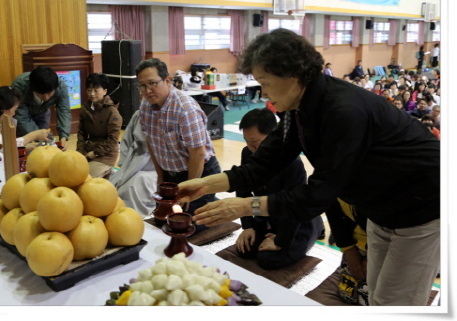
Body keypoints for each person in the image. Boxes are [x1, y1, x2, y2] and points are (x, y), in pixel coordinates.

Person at [176, 28, 440, 306]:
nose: (262, 91)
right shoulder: (298, 109)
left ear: (292, 75)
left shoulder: (343, 110)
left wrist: (245, 207)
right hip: (380, 208)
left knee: (396, 302)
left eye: (265, 82)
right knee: (377, 293)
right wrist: (206, 184)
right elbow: (263, 164)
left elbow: (319, 194)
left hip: (421, 209)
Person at [136, 58, 220, 231]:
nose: (148, 90)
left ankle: (213, 201)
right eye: (142, 86)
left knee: (184, 226)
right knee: (162, 221)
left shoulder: (185, 109)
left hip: (200, 172)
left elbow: (197, 153)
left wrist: (189, 190)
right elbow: (152, 142)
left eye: (152, 83)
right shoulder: (145, 106)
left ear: (167, 80)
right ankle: (209, 200)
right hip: (171, 174)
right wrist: (160, 177)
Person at [235, 108, 325, 270]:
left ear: (271, 136)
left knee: (269, 259)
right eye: (246, 141)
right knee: (245, 250)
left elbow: (295, 204)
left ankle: (317, 226)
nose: (250, 146)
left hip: (295, 219)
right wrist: (247, 226)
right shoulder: (248, 153)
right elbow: (243, 190)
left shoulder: (291, 163)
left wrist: (281, 240)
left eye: (255, 142)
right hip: (266, 214)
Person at [109, 110, 158, 217]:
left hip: (153, 168)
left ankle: (130, 219)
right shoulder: (139, 114)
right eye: (141, 91)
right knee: (113, 185)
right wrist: (125, 165)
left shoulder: (170, 115)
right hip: (133, 160)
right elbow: (127, 140)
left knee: (133, 185)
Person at [11, 66, 71, 151]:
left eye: (49, 93)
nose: (46, 98)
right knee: (27, 146)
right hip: (22, 115)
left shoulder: (60, 87)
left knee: (44, 145)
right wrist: (35, 136)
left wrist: (64, 136)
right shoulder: (20, 85)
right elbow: (21, 117)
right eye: (41, 94)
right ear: (33, 89)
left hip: (42, 113)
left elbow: (64, 111)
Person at [76, 73, 122, 179]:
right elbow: (81, 133)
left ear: (105, 91)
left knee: (85, 179)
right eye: (89, 90)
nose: (92, 94)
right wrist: (80, 152)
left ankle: (109, 171)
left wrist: (95, 153)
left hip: (106, 155)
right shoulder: (85, 109)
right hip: (88, 151)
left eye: (96, 91)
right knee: (72, 173)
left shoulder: (112, 112)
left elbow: (112, 140)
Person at [0, 86, 49, 150]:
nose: (14, 113)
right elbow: (5, 147)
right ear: (2, 108)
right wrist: (34, 135)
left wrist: (24, 146)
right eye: (14, 109)